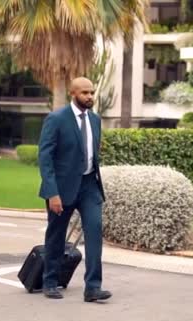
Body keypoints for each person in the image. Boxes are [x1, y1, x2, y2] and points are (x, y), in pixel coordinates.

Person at [37, 77, 111, 302]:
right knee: (56, 235)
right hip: (62, 188)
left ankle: (92, 287)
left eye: (91, 92)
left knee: (95, 231)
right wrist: (52, 193)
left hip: (89, 186)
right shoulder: (56, 119)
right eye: (84, 93)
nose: (90, 97)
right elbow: (45, 157)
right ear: (73, 93)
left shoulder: (96, 120)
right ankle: (50, 281)